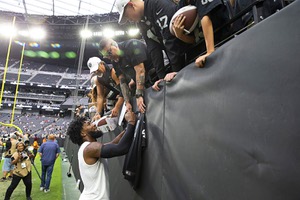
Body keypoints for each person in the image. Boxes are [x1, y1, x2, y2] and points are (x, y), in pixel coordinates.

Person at [66, 110, 137, 200]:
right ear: (83, 133)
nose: (94, 124)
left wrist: (127, 129)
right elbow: (121, 148)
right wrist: (131, 122)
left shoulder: (87, 148)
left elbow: (113, 143)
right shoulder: (90, 148)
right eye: (89, 124)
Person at [115, 0, 188, 84]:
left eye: (127, 16)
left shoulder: (157, 4)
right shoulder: (141, 22)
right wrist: (161, 77)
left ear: (131, 5)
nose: (129, 20)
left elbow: (171, 40)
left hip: (191, 49)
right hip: (180, 56)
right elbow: (153, 49)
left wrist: (176, 71)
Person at [99, 38, 153, 113]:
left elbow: (140, 71)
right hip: (146, 81)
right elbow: (122, 82)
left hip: (154, 76)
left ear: (114, 45)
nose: (109, 57)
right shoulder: (115, 62)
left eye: (109, 53)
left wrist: (139, 95)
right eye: (106, 56)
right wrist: (127, 102)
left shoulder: (131, 46)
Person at [172, 0, 230, 67]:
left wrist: (210, 51)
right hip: (200, 54)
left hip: (222, 44)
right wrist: (181, 35)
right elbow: (194, 39)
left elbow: (205, 17)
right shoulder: (182, 5)